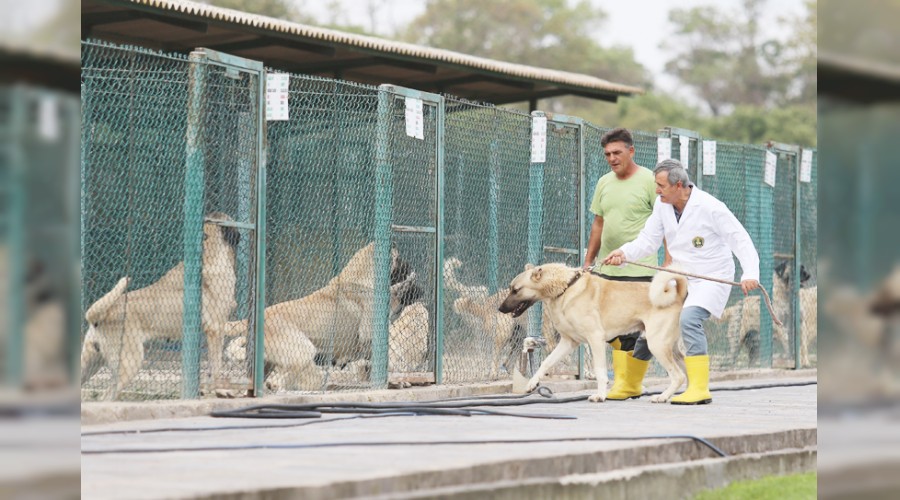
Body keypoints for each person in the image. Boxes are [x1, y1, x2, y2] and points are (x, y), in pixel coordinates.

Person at [604, 159, 760, 405]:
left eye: (661, 186)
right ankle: (631, 384)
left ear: (679, 186)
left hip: (711, 278)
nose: (656, 190)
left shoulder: (711, 207)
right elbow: (648, 240)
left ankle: (698, 388)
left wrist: (750, 272)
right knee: (650, 323)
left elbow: (740, 239)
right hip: (680, 278)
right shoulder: (662, 205)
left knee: (689, 319)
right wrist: (624, 253)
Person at [582, 127, 668, 400]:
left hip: (639, 270)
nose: (612, 158)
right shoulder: (604, 182)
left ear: (631, 151)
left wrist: (668, 261)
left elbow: (664, 224)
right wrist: (589, 261)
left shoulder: (648, 182)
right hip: (607, 271)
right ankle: (628, 383)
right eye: (607, 153)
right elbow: (598, 223)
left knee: (632, 332)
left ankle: (625, 384)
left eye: (617, 152)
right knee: (609, 330)